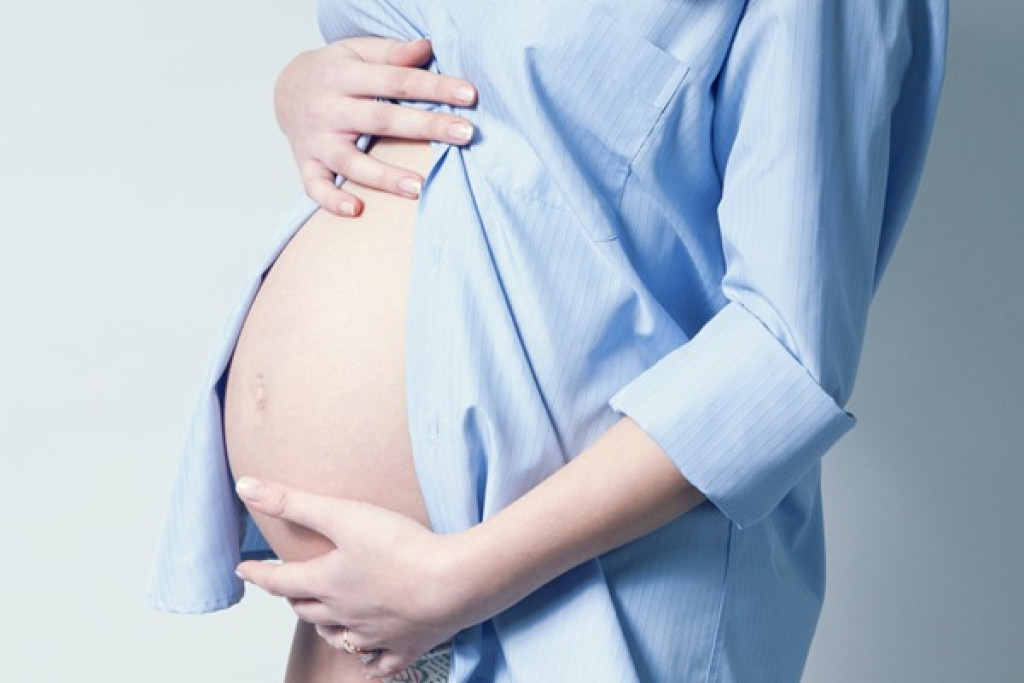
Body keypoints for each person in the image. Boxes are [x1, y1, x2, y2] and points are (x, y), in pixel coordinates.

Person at [146, 1, 949, 681]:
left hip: (584, 597)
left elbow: (784, 353)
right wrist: (303, 89)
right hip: (358, 610)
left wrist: (451, 581)